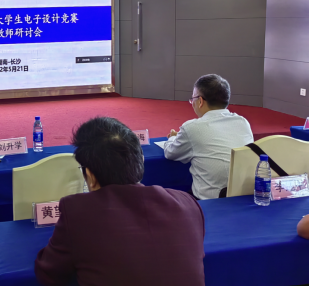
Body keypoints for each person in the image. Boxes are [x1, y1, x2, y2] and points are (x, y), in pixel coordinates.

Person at [35, 117, 205, 286]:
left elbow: (49, 273)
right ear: (140, 162)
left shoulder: (78, 212)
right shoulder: (187, 204)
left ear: (90, 176)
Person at [164, 74, 254, 200]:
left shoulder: (192, 128)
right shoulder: (243, 122)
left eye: (193, 99)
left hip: (208, 201)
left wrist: (172, 138)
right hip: (243, 196)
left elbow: (170, 153)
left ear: (200, 101)